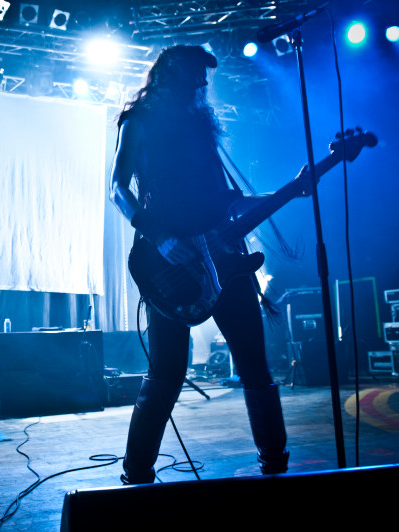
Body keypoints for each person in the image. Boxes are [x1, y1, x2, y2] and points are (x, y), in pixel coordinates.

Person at [109, 45, 289, 483]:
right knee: (167, 373)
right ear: (171, 76)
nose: (203, 86)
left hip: (225, 258)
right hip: (169, 260)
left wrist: (291, 190)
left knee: (256, 369)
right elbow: (118, 187)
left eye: (204, 80)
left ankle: (276, 468)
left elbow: (227, 201)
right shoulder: (140, 121)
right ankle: (136, 474)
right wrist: (158, 236)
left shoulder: (203, 128)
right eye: (195, 77)